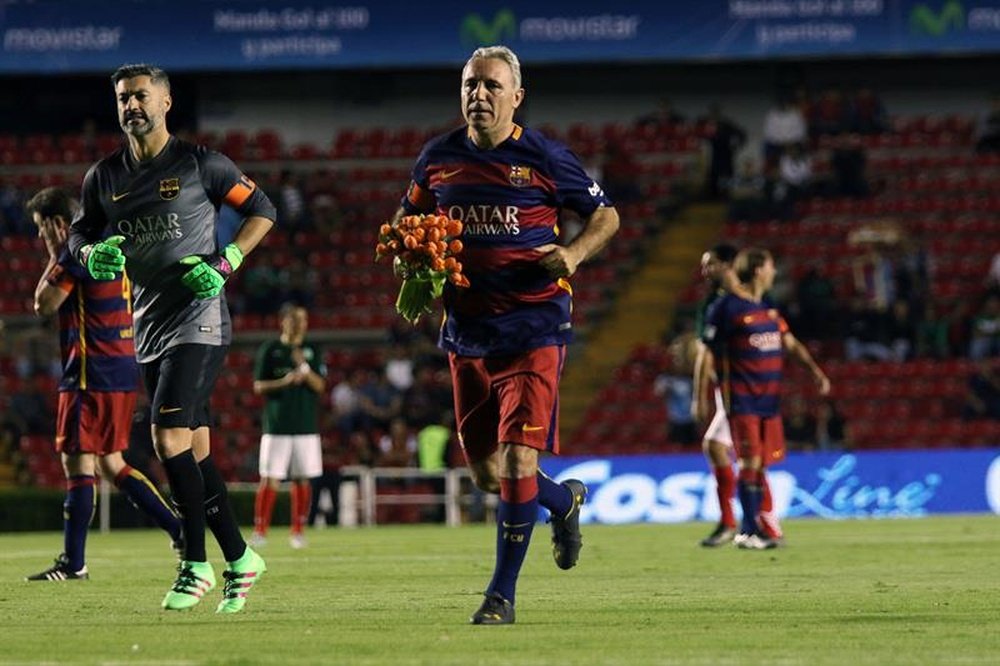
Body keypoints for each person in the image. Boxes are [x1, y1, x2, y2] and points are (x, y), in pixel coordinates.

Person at [388, 45, 619, 624]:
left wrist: (573, 253)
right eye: (470, 84)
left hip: (535, 325)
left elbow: (607, 216)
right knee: (490, 474)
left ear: (517, 96)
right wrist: (410, 259)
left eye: (491, 85)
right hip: (467, 332)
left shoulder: (544, 156)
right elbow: (403, 224)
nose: (479, 95)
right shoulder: (438, 158)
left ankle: (501, 597)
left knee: (518, 462)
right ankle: (563, 502)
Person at [67, 64, 275, 612]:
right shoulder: (103, 177)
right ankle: (240, 557)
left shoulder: (201, 164)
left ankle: (193, 563)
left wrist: (227, 259)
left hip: (200, 318)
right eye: (122, 98)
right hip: (150, 325)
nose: (131, 105)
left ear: (165, 102)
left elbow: (262, 209)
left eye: (140, 96)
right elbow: (79, 233)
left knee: (166, 439)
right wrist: (91, 253)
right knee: (196, 453)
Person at [23, 186, 183, 581]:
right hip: (121, 370)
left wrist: (54, 255)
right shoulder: (108, 247)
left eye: (43, 228)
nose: (41, 236)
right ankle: (179, 529)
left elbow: (44, 304)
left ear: (58, 224)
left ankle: (74, 563)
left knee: (77, 462)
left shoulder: (75, 253)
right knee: (113, 463)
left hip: (87, 373)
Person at [702, 247, 831, 549]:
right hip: (743, 398)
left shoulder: (768, 307)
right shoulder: (727, 308)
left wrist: (815, 371)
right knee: (750, 461)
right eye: (772, 266)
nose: (775, 272)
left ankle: (756, 526)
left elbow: (789, 342)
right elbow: (709, 352)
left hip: (769, 401)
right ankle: (749, 532)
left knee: (759, 466)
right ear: (759, 269)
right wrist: (715, 393)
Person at [250, 303, 326, 549]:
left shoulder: (313, 349)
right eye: (293, 320)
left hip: (305, 426)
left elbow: (320, 386)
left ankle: (298, 531)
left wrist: (304, 369)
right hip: (276, 426)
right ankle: (260, 531)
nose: (298, 324)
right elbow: (259, 386)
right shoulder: (271, 349)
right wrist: (284, 382)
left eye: (302, 320)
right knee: (269, 478)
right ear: (283, 322)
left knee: (302, 479)